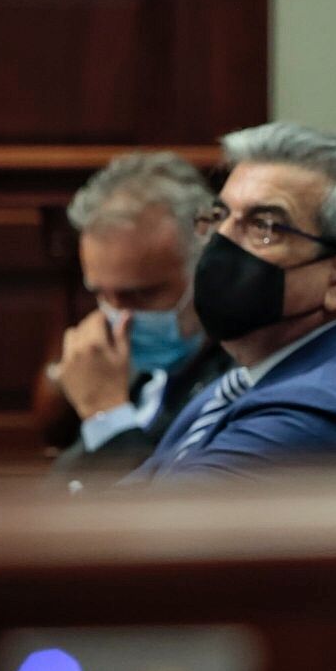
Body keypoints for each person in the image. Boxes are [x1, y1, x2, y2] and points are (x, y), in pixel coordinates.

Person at [125, 123, 336, 483]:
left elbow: (146, 529)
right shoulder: (244, 375)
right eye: (220, 216)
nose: (220, 241)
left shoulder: (314, 407)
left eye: (264, 226)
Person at [52, 152, 230, 487]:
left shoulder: (242, 382)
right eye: (103, 295)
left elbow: (159, 517)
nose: (120, 319)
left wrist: (105, 412)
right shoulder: (133, 377)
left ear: (207, 268)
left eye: (141, 295)